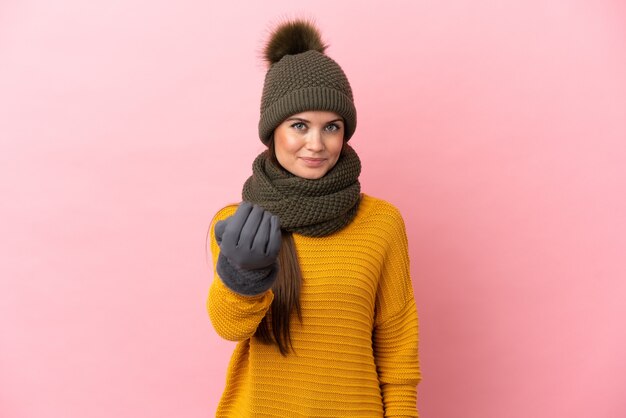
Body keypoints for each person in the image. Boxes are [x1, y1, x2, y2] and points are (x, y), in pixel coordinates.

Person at [206, 18, 421, 417]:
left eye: (332, 127)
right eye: (299, 125)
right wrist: (244, 279)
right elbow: (229, 327)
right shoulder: (241, 224)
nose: (316, 144)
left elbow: (397, 343)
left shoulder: (382, 223)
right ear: (273, 131)